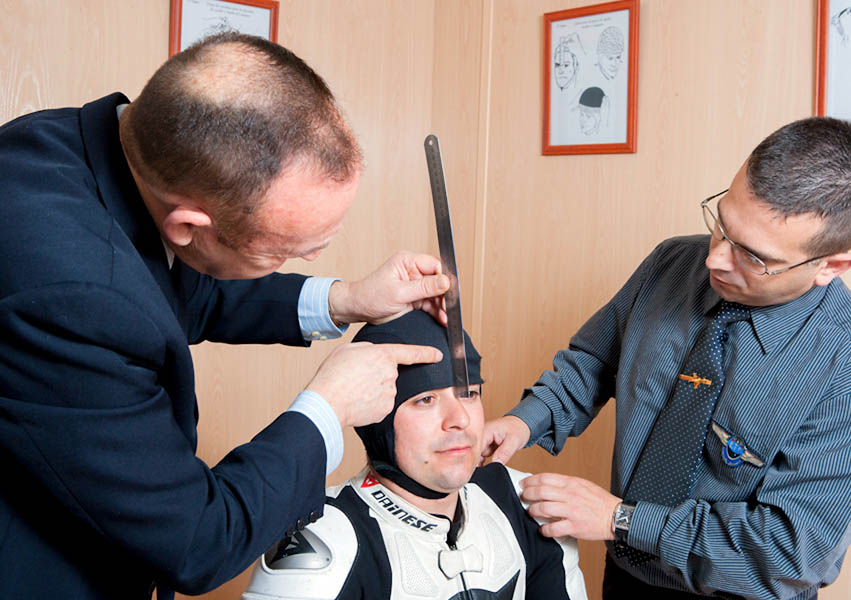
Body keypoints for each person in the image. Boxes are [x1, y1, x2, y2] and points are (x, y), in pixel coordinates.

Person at [0, 33, 451, 599]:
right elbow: (197, 539)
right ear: (188, 225)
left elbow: (177, 284)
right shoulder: (71, 297)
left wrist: (347, 298)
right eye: (283, 251)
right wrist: (328, 406)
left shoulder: (88, 147)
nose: (312, 257)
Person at [483, 117, 851, 599]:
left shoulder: (841, 363)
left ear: (830, 265)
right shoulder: (672, 263)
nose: (715, 259)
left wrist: (620, 519)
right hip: (625, 577)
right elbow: (594, 363)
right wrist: (524, 422)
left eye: (753, 257)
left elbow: (791, 551)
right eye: (721, 224)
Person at [242, 310, 588, 600]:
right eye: (426, 400)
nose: (460, 419)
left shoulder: (529, 505)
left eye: (469, 393)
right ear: (377, 419)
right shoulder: (321, 542)